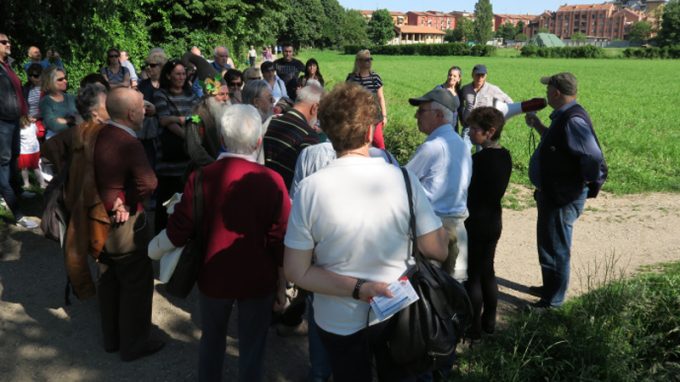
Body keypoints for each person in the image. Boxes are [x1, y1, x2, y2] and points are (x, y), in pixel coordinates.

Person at [283, 83, 449, 382]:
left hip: (336, 318)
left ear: (327, 130)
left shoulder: (310, 189)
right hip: (397, 311)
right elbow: (438, 250)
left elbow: (296, 270)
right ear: (370, 132)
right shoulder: (403, 179)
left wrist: (358, 289)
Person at [165, 104, 290, 382]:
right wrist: (282, 282)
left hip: (213, 273)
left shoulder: (201, 177)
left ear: (221, 139)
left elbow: (180, 229)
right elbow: (280, 239)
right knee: (253, 344)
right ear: (259, 141)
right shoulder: (273, 181)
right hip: (259, 278)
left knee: (212, 338)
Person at [525, 72, 607, 309]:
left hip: (563, 195)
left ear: (556, 92)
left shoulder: (572, 120)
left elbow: (592, 156)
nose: (545, 92)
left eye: (547, 88)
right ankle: (549, 287)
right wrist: (539, 125)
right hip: (553, 192)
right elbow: (559, 144)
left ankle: (554, 301)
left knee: (557, 246)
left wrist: (583, 181)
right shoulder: (563, 117)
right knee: (548, 243)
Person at [94, 87, 162, 361]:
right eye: (141, 106)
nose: (145, 110)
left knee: (108, 279)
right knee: (135, 282)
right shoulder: (129, 142)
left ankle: (112, 339)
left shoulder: (97, 133)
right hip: (123, 224)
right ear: (132, 113)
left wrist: (112, 198)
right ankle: (133, 344)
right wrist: (128, 201)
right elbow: (149, 182)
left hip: (96, 218)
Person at [406, 88, 472, 283]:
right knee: (455, 292)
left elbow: (403, 182)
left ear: (438, 115)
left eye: (421, 111)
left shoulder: (432, 147)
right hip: (458, 227)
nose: (416, 115)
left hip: (434, 229)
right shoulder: (461, 144)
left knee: (429, 289)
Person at [463, 107, 512, 339]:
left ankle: (473, 326)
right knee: (488, 270)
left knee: (472, 275)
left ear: (489, 132)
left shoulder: (478, 160)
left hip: (475, 222)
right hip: (494, 220)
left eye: (475, 129)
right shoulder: (505, 156)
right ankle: (489, 320)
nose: (470, 132)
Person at [153, 59, 199, 232]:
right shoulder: (161, 94)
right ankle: (161, 234)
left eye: (183, 73)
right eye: (177, 74)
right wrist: (186, 133)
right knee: (166, 198)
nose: (181, 77)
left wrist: (180, 119)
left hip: (188, 157)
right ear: (168, 76)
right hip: (168, 156)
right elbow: (164, 121)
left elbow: (196, 118)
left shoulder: (191, 94)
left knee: (186, 197)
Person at [0, 32, 38, 228]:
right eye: (4, 42)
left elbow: (15, 93)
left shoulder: (8, 66)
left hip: (14, 120)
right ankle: (17, 214)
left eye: (9, 41)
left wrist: (22, 113)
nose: (9, 44)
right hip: (3, 122)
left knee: (14, 157)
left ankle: (17, 192)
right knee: (4, 163)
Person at [264, 84, 322, 204]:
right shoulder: (309, 136)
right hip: (284, 205)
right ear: (314, 108)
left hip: (259, 194)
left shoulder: (270, 122)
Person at [185, 76, 230, 169]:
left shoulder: (228, 113)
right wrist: (215, 166)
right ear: (209, 96)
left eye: (227, 94)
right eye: (221, 94)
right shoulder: (196, 116)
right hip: (205, 173)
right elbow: (195, 150)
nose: (226, 98)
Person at [345, 49, 387, 149]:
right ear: (358, 61)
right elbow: (346, 99)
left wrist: (384, 116)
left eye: (370, 59)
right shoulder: (352, 78)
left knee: (379, 143)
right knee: (361, 144)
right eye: (366, 59)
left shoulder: (376, 77)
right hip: (358, 117)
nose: (369, 62)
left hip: (375, 116)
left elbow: (381, 97)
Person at [137, 50, 168, 168]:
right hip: (146, 134)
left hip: (164, 132)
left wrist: (156, 111)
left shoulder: (168, 85)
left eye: (153, 65)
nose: (149, 68)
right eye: (147, 65)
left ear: (162, 66)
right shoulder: (143, 85)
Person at [460, 64, 512, 128]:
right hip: (468, 125)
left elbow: (509, 102)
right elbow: (459, 104)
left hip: (484, 127)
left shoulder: (493, 89)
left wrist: (499, 119)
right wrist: (462, 118)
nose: (480, 78)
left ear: (486, 76)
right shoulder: (465, 89)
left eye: (482, 75)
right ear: (472, 75)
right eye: (477, 75)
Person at [39, 66, 78, 138]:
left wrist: (64, 120)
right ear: (50, 82)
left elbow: (84, 118)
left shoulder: (72, 98)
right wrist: (72, 120)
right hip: (56, 142)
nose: (65, 81)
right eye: (60, 79)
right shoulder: (45, 102)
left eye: (65, 78)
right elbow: (54, 126)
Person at [17, 115, 46, 190]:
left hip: (23, 151)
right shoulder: (33, 126)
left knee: (24, 168)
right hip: (34, 150)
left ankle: (26, 184)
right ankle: (42, 183)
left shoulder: (19, 130)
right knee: (36, 167)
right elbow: (37, 133)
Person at [435, 65, 463, 133]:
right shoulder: (439, 89)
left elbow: (460, 109)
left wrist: (464, 122)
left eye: (454, 76)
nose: (451, 77)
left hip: (454, 128)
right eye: (450, 75)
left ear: (459, 78)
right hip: (440, 127)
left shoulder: (459, 92)